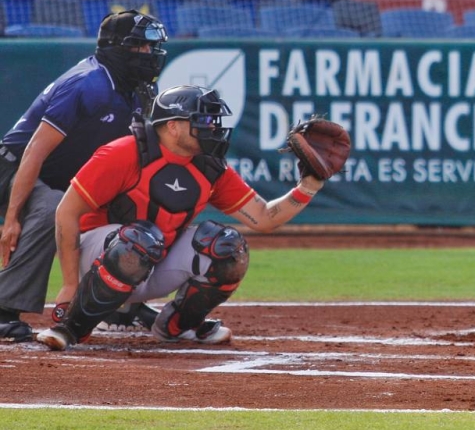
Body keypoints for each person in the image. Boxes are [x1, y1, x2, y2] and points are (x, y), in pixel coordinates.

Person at [36, 85, 328, 351]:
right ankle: (72, 326)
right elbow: (67, 211)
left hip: (151, 256)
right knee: (139, 239)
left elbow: (264, 218)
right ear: (173, 126)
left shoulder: (210, 166)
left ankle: (176, 326)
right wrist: (70, 283)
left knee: (228, 247)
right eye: (203, 121)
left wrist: (308, 187)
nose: (212, 128)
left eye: (214, 121)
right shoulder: (124, 152)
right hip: (98, 259)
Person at [0, 11, 166, 343]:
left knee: (135, 206)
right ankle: (4, 309)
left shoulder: (138, 91)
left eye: (152, 48)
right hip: (13, 170)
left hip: (66, 180)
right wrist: (12, 217)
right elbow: (33, 151)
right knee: (52, 208)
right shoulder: (87, 83)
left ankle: (121, 306)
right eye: (140, 47)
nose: (149, 55)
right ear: (116, 47)